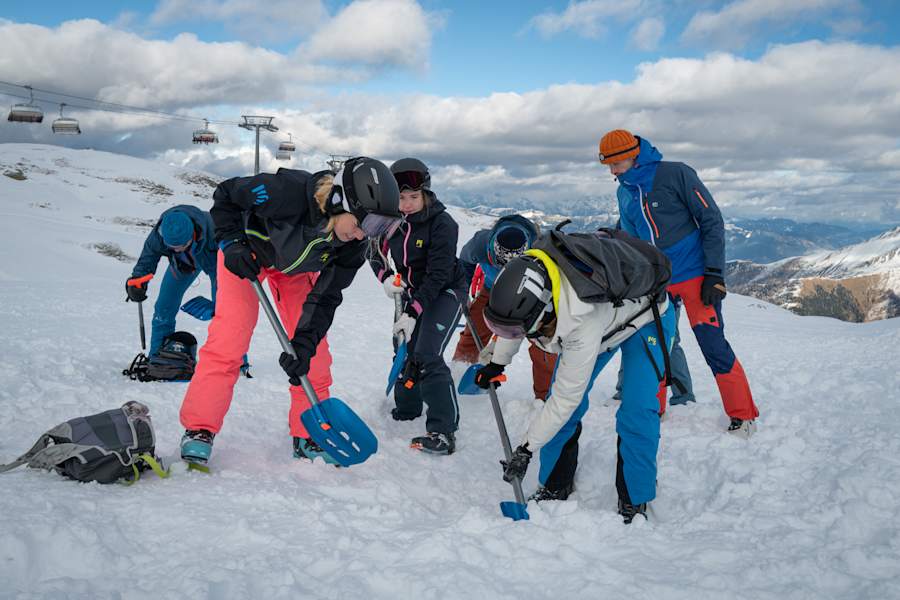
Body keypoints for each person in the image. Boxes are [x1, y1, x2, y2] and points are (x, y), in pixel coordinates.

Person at [178, 157, 402, 466]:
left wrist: (304, 342)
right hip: (246, 256)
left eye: (378, 227)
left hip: (294, 271)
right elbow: (226, 195)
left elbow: (326, 297)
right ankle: (199, 428)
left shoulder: (353, 244)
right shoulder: (286, 192)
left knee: (314, 356)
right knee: (230, 339)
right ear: (339, 201)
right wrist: (231, 243)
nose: (365, 234)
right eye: (365, 223)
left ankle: (308, 432)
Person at [475, 249, 676, 523]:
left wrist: (525, 449)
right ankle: (555, 484)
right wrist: (498, 363)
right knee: (566, 413)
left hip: (647, 317)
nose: (513, 334)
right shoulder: (526, 281)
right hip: (608, 316)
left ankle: (635, 497)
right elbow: (513, 320)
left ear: (543, 311)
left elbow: (564, 399)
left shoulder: (581, 322)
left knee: (637, 410)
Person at [599, 129, 758, 436]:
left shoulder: (676, 174)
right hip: (657, 282)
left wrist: (715, 273)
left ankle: (743, 414)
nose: (612, 171)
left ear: (632, 156)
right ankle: (652, 409)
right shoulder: (624, 191)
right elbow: (631, 236)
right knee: (655, 346)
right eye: (608, 165)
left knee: (714, 345)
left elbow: (711, 219)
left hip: (696, 276)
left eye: (615, 163)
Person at [369, 158, 467, 455]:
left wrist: (413, 312)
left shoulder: (443, 223)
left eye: (414, 197)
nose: (408, 204)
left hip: (446, 290)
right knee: (403, 346)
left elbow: (438, 275)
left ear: (425, 194)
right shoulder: (389, 222)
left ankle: (444, 431)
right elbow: (370, 250)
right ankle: (408, 408)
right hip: (413, 291)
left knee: (427, 353)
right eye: (401, 197)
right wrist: (385, 277)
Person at [453, 215, 558, 402]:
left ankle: (546, 398)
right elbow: (464, 263)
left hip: (534, 297)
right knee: (475, 327)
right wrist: (463, 293)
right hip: (492, 290)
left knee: (543, 346)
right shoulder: (480, 243)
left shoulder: (542, 247)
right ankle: (459, 370)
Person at [126, 205, 217, 358]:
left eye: (181, 246)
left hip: (216, 262)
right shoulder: (160, 233)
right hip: (183, 265)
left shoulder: (214, 228)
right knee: (164, 306)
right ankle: (157, 357)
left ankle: (236, 363)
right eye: (172, 247)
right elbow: (148, 258)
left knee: (226, 312)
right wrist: (137, 282)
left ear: (192, 235)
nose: (176, 250)